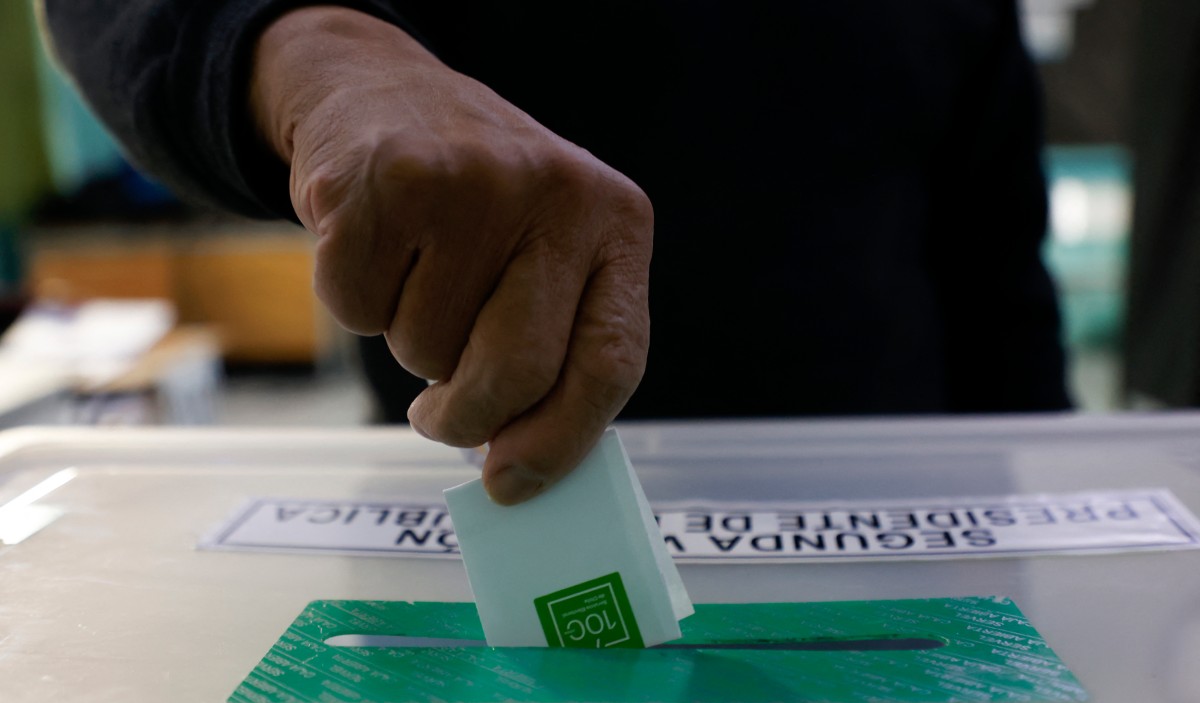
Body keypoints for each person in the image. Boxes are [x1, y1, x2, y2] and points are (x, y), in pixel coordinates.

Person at [43, 1, 1070, 503]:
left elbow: (1000, 279)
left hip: (884, 520)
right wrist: (315, 54)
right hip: (465, 507)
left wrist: (1041, 528)